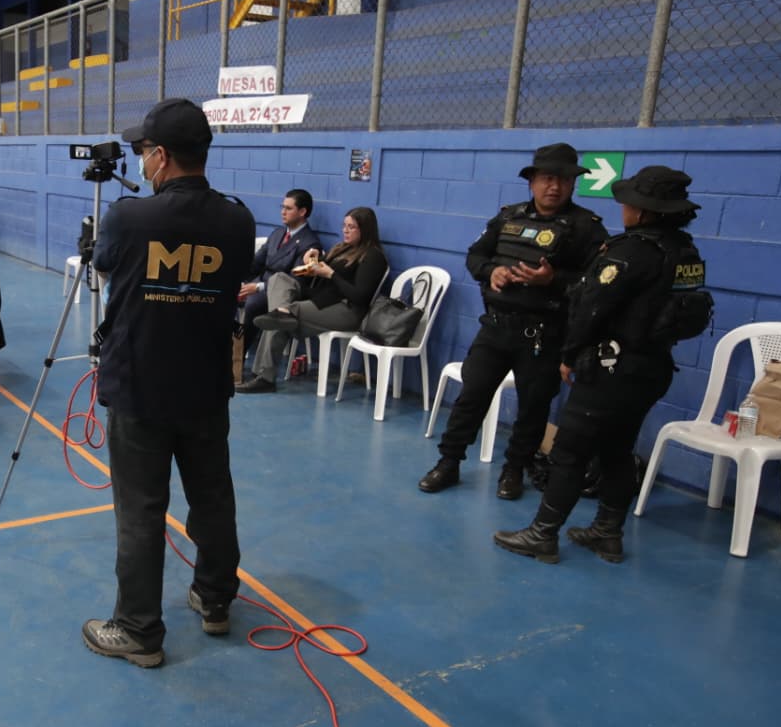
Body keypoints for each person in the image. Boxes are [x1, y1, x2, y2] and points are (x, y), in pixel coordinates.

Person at [83, 98, 255, 668]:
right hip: (205, 385)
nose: (140, 161)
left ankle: (138, 629)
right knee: (213, 497)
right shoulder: (237, 219)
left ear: (160, 157)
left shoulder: (129, 217)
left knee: (140, 510)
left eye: (143, 152)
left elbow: (104, 263)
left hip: (141, 389)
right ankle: (215, 599)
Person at [494, 166, 707, 564]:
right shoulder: (685, 251)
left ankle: (543, 534)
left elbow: (590, 308)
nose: (623, 208)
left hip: (611, 370)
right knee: (617, 449)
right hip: (652, 368)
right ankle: (607, 533)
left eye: (630, 202)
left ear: (645, 211)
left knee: (570, 451)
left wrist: (570, 356)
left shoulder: (631, 251)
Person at [418, 143, 607, 500]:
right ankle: (448, 463)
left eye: (564, 180)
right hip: (496, 327)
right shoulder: (508, 217)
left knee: (534, 408)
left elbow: (598, 283)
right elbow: (476, 256)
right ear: (532, 182)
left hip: (545, 334)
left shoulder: (587, 228)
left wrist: (553, 280)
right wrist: (493, 271)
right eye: (548, 178)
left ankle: (514, 470)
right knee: (471, 398)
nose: (555, 187)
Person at [236, 206, 388, 393]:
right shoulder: (342, 249)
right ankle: (279, 322)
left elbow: (360, 296)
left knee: (280, 317)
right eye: (344, 226)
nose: (345, 231)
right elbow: (325, 275)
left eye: (352, 227)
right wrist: (315, 260)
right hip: (321, 301)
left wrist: (330, 274)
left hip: (346, 310)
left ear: (365, 230)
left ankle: (264, 377)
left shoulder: (373, 256)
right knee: (279, 280)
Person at [237, 190, 323, 361]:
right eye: (282, 207)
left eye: (288, 208)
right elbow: (255, 264)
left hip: (279, 293)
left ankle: (235, 359)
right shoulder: (277, 233)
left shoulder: (310, 243)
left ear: (302, 212)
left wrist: (259, 287)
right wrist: (237, 279)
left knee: (253, 304)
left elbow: (295, 280)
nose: (283, 212)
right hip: (258, 283)